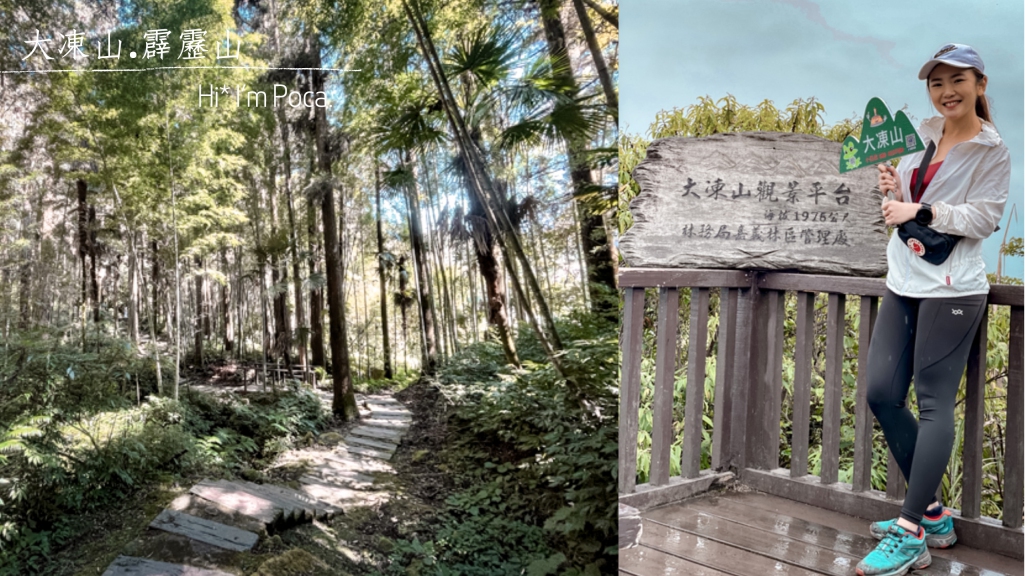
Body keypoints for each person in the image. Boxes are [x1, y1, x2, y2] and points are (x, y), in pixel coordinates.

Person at [857, 43, 1010, 576]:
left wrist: (919, 207)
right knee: (880, 393)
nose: (947, 91)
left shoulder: (992, 151)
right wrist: (896, 191)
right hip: (903, 280)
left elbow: (985, 219)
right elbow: (904, 212)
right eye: (937, 82)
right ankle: (935, 515)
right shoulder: (922, 135)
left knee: (933, 404)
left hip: (952, 290)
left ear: (980, 85)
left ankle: (911, 531)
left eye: (958, 80)